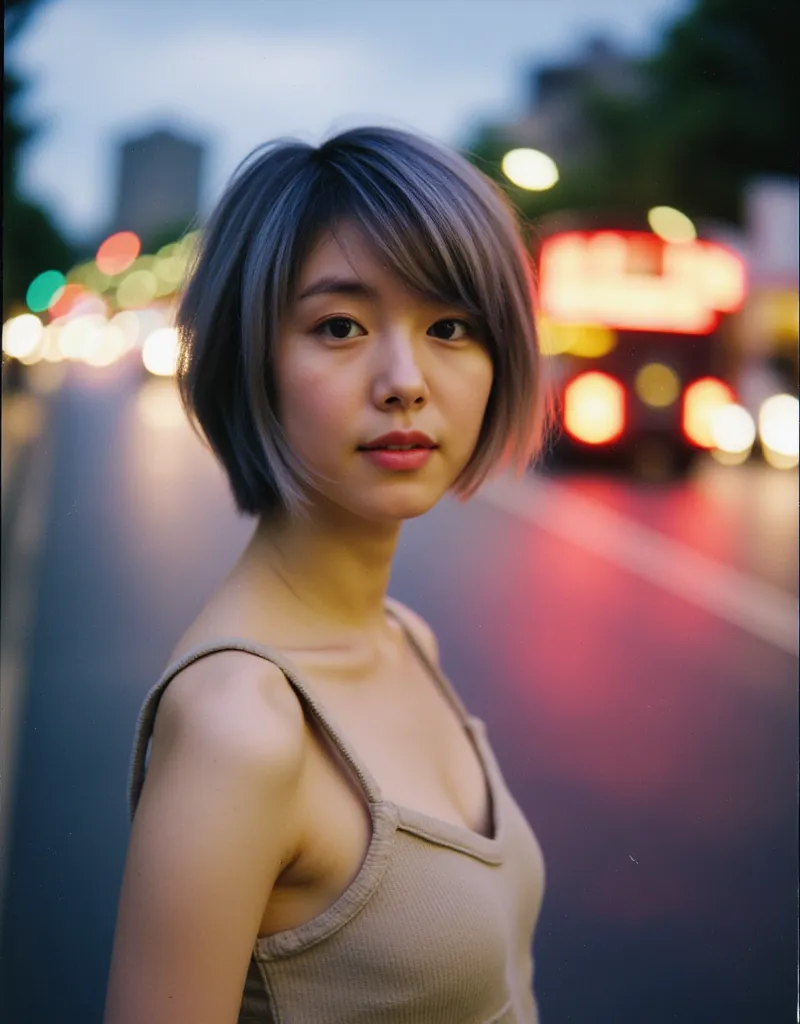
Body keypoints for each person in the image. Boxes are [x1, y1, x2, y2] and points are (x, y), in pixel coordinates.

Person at [104, 125, 549, 1024]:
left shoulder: (404, 637)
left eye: (451, 327)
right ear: (250, 358)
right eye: (338, 326)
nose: (404, 380)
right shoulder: (241, 723)